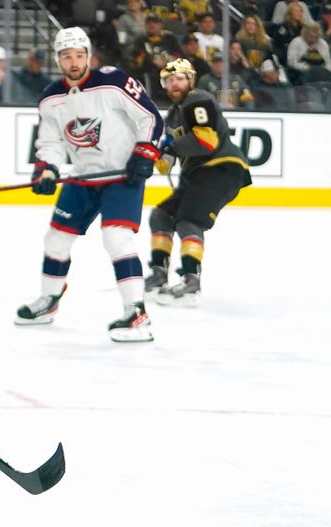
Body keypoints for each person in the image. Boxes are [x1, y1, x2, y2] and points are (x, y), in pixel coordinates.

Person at [15, 26, 164, 343]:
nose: (73, 62)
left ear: (89, 56)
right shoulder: (51, 98)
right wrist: (48, 168)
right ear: (58, 59)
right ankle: (48, 301)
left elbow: (150, 118)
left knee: (116, 238)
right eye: (67, 56)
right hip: (83, 177)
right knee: (55, 239)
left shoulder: (113, 81)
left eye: (79, 55)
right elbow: (51, 142)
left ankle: (136, 312)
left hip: (123, 176)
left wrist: (144, 152)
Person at [145, 58, 252, 305]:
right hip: (198, 174)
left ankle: (191, 282)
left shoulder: (197, 99)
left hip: (221, 168)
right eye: (169, 80)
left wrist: (170, 145)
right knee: (161, 215)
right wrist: (154, 156)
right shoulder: (172, 117)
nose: (174, 84)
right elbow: (166, 164)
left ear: (190, 81)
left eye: (179, 78)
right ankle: (159, 274)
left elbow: (206, 142)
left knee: (189, 219)